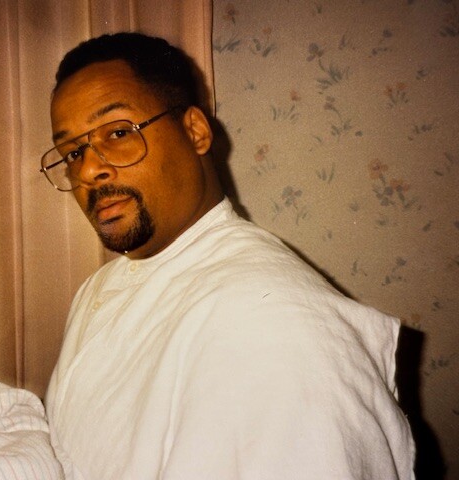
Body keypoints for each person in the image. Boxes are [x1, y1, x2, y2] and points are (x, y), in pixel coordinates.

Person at [40, 32, 415, 479]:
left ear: (195, 131)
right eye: (72, 152)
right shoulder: (97, 289)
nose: (87, 169)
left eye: (119, 133)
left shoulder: (277, 331)